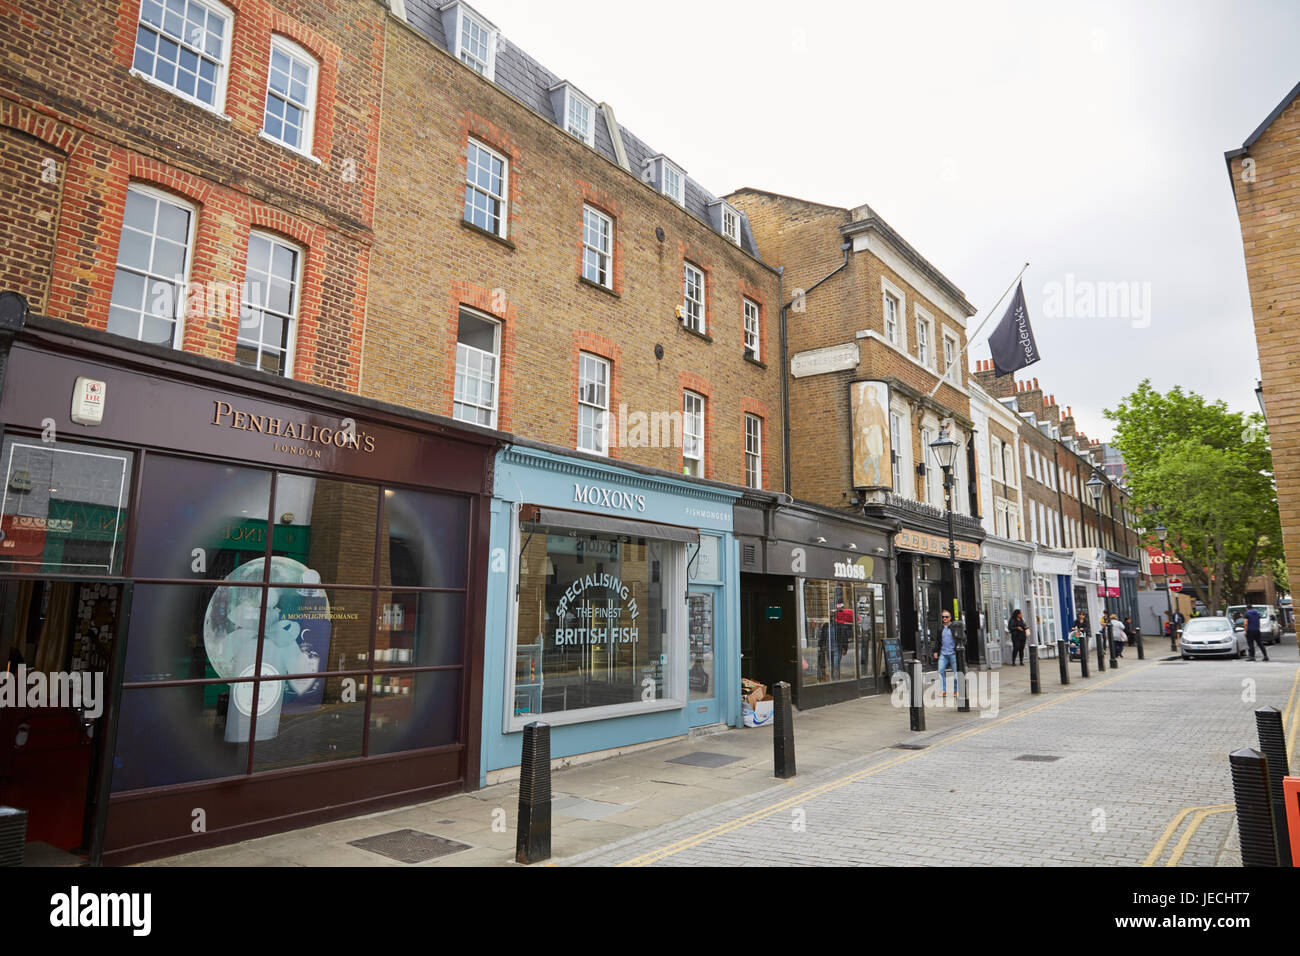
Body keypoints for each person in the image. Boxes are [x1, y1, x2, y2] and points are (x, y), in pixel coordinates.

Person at [932, 609, 964, 697]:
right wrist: (935, 651)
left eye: (946, 617)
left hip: (953, 654)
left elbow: (962, 639)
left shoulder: (954, 628)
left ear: (950, 618)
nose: (944, 618)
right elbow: (937, 641)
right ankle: (943, 690)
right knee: (940, 671)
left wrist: (957, 649)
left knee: (955, 673)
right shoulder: (940, 628)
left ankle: (956, 691)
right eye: (943, 617)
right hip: (943, 653)